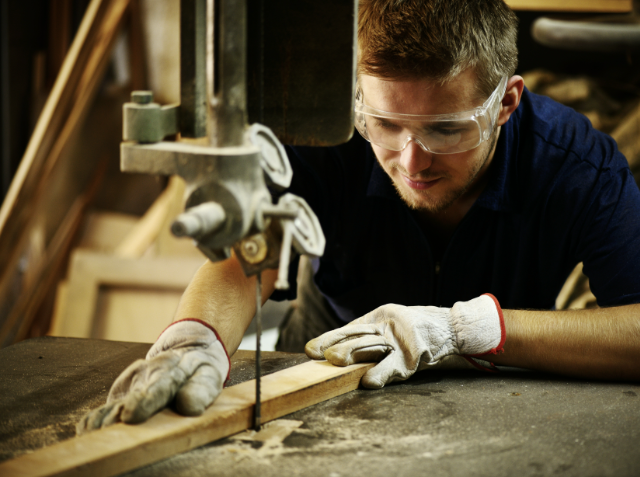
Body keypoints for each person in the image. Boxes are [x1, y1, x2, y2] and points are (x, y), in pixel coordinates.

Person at [77, 0, 640, 433]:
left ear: (507, 103)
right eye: (386, 124)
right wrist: (195, 338)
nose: (411, 160)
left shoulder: (576, 165)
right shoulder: (327, 134)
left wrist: (463, 330)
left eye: (445, 129)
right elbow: (249, 256)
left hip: (498, 384)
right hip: (328, 355)